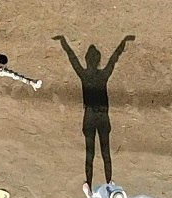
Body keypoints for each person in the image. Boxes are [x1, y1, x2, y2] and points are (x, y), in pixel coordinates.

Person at [57, 34, 135, 189]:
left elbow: (72, 57)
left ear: (87, 60)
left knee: (90, 153)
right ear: (99, 61)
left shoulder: (84, 75)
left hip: (89, 117)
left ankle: (90, 187)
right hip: (103, 117)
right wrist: (123, 41)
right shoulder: (103, 75)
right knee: (106, 152)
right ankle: (109, 184)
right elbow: (114, 58)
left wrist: (63, 42)